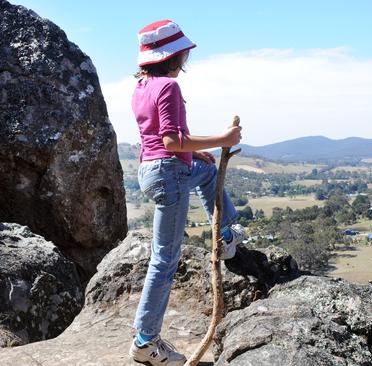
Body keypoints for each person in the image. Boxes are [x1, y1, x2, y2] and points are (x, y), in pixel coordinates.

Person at [128, 20, 245, 366]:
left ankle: (225, 236)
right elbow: (170, 141)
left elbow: (155, 139)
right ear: (175, 56)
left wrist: (194, 154)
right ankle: (145, 341)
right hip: (168, 172)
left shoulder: (141, 86)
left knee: (207, 171)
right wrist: (223, 140)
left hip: (156, 169)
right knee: (164, 259)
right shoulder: (168, 87)